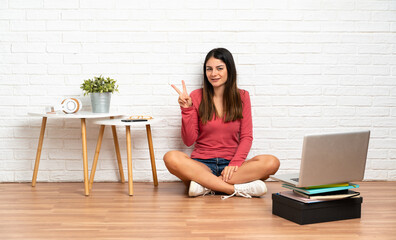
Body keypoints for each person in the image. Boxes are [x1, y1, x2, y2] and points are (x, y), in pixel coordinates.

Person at [163, 48, 280, 199]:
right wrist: (186, 110)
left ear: (229, 70)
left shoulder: (242, 96)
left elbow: (246, 137)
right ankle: (233, 189)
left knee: (271, 162)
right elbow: (188, 141)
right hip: (202, 165)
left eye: (219, 68)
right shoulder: (196, 96)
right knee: (171, 157)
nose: (214, 74)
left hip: (233, 166)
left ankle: (206, 186)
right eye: (209, 69)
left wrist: (234, 163)